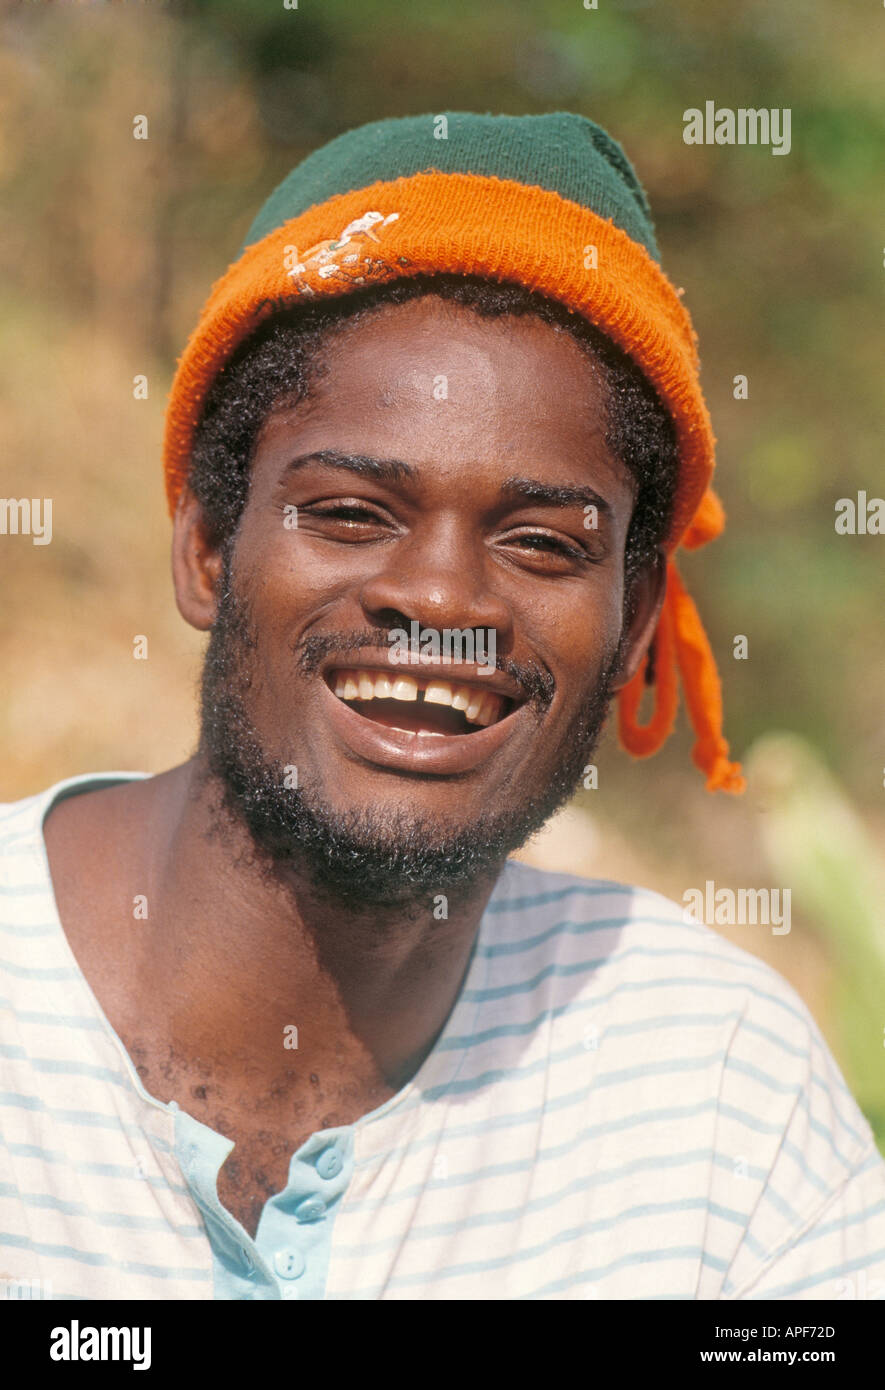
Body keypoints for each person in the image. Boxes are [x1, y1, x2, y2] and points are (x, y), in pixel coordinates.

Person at [3, 112, 883, 1302]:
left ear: (632, 623)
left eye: (540, 542)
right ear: (210, 546)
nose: (439, 598)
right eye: (352, 512)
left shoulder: (720, 1098)